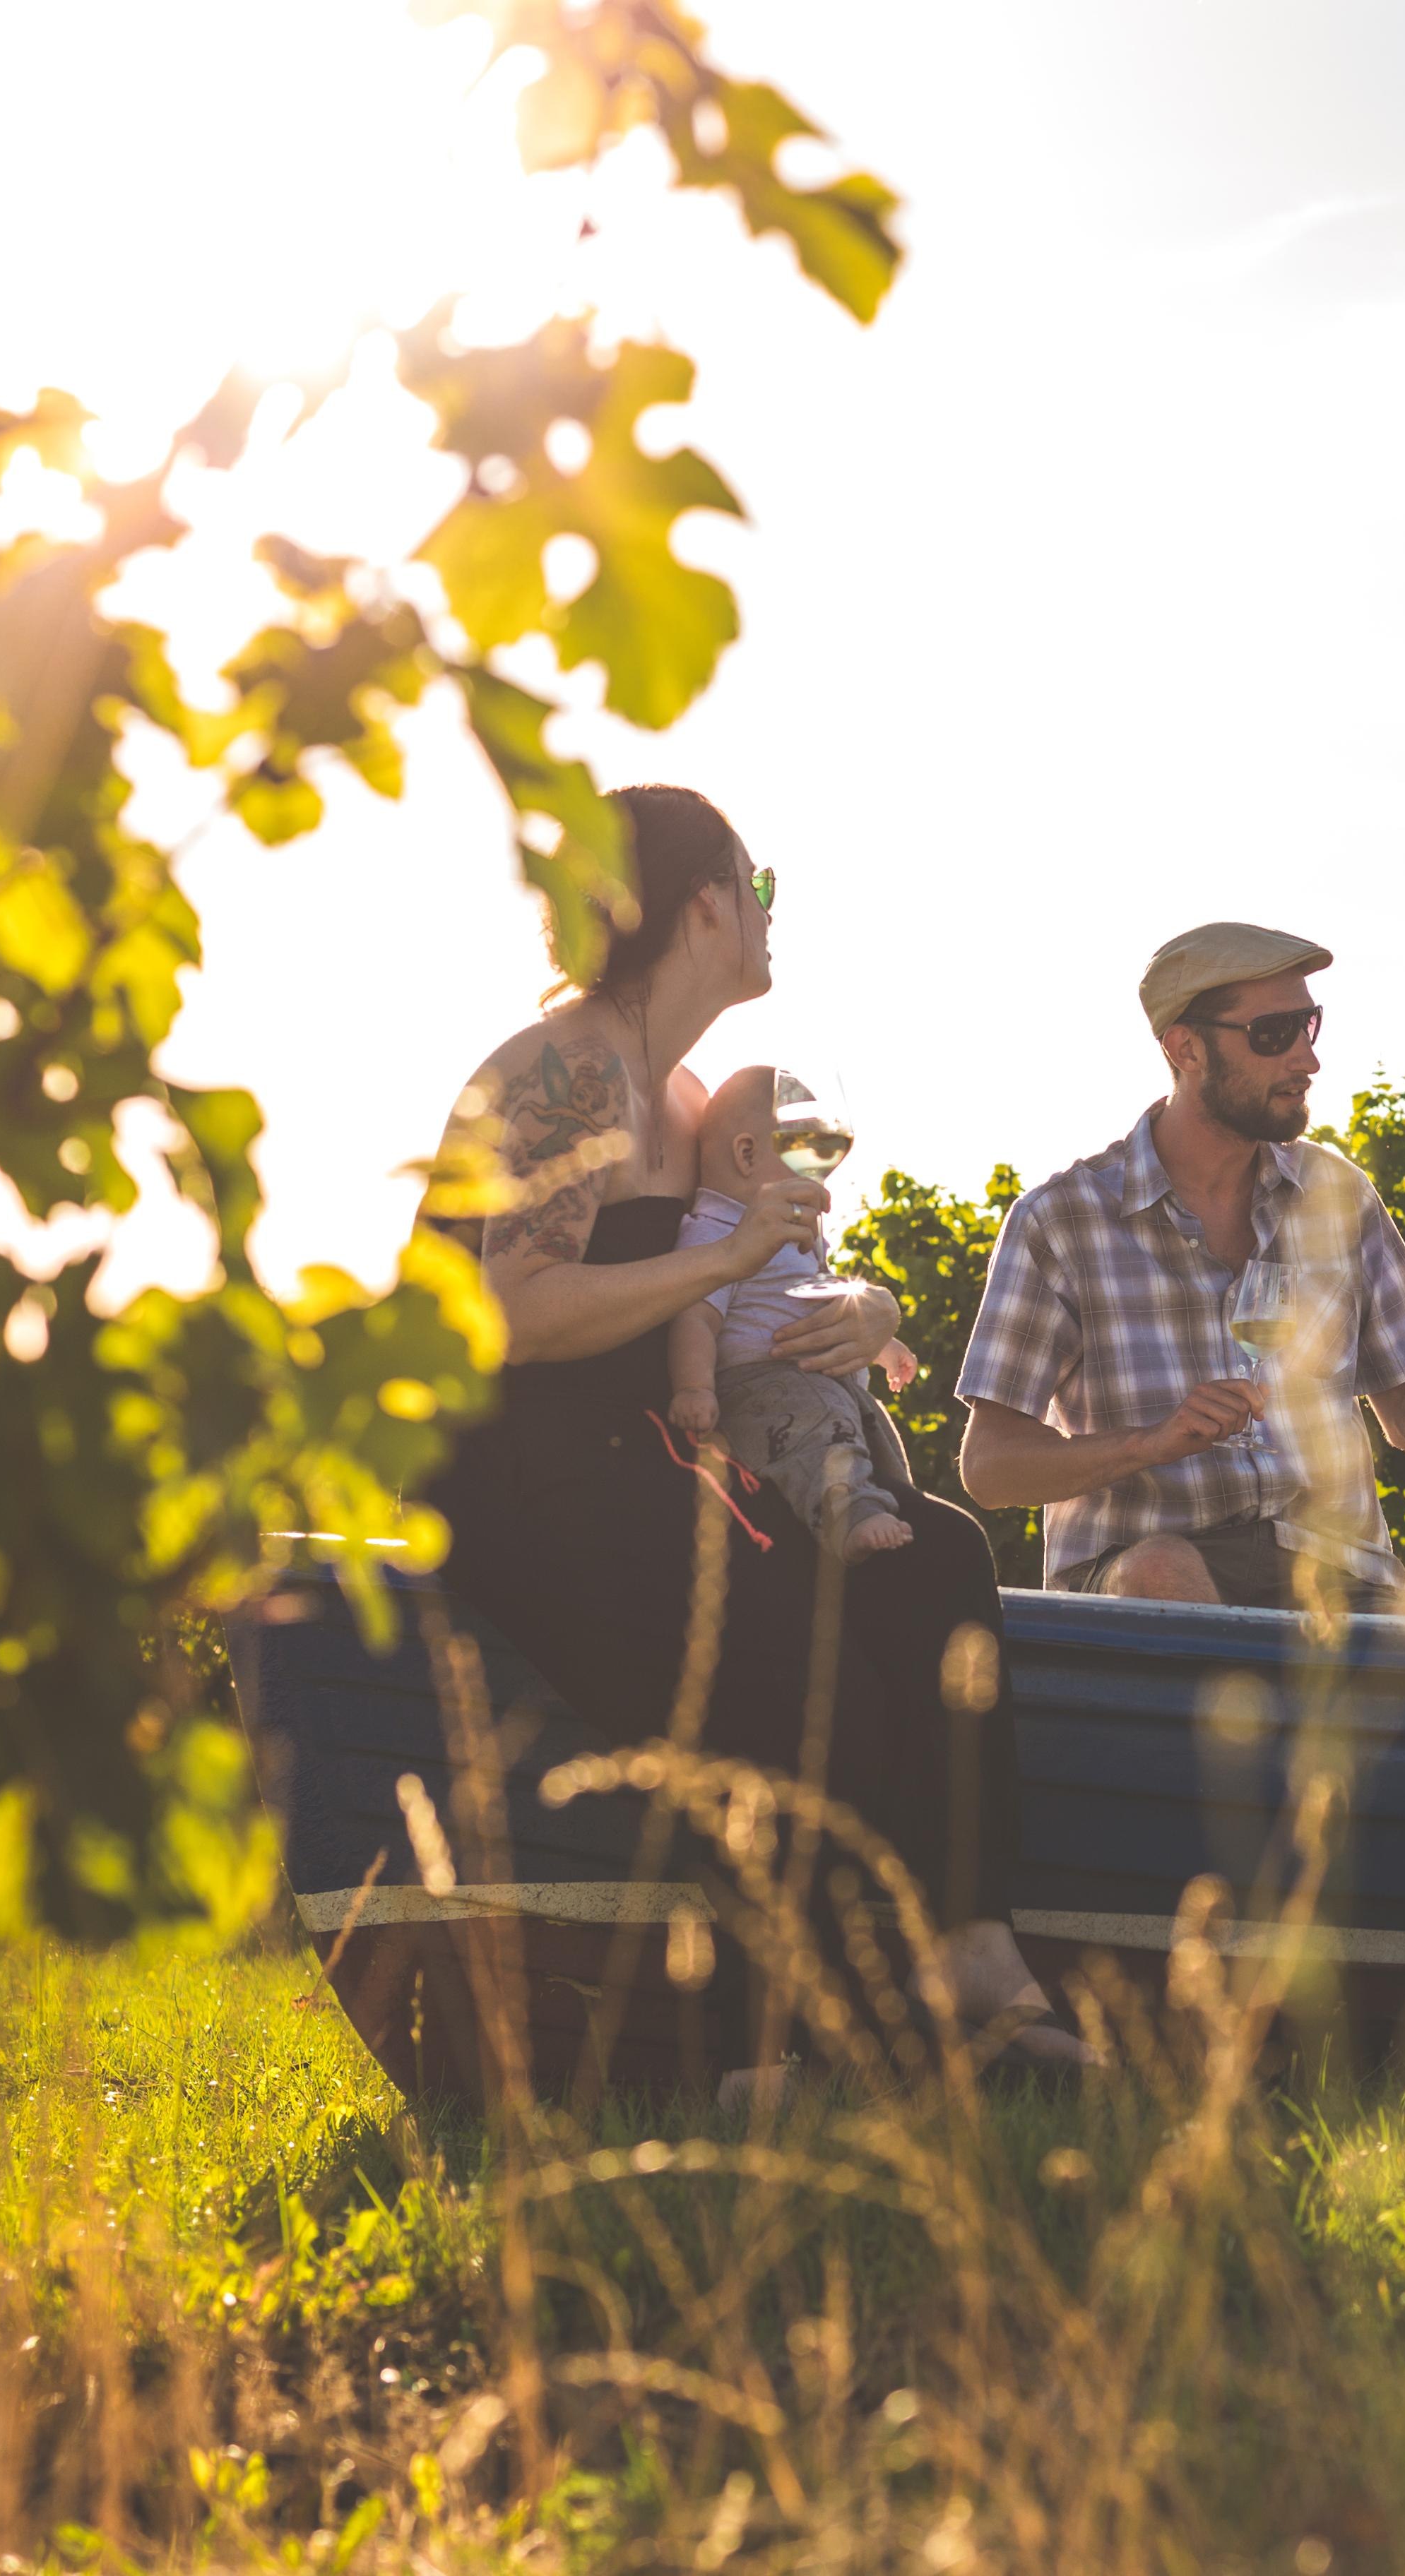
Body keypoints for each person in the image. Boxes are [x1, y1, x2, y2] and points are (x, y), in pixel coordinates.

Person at [413, 784, 1080, 2077]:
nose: (771, 912)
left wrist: (865, 1306)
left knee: (939, 1558)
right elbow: (514, 1316)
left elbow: (745, 1276)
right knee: (793, 1645)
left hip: (646, 1448)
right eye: (756, 884)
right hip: (513, 1465)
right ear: (700, 905)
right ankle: (774, 2052)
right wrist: (717, 1272)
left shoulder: (684, 1094)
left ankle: (978, 1966)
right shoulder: (564, 1072)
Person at [956, 922, 1405, 1614]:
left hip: (1336, 1575)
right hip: (1145, 1576)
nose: (1308, 1060)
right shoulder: (1061, 1222)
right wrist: (1150, 1444)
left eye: (1309, 1026)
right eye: (1274, 1034)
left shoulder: (1340, 1198)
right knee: (1161, 1571)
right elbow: (990, 1468)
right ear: (1185, 1048)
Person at [666, 1063, 925, 1559]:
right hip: (761, 1385)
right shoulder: (715, 1230)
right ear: (747, 1154)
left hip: (817, 1386)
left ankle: (883, 1504)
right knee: (821, 1434)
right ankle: (848, 1517)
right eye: (807, 1159)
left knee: (872, 1435)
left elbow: (828, 1304)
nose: (821, 1180)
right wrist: (694, 1388)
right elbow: (695, 1317)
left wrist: (880, 1346)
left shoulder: (788, 1230)